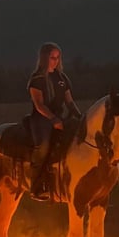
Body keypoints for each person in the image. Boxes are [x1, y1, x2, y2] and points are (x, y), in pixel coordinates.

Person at [27, 42, 82, 201]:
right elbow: (39, 104)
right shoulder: (37, 79)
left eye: (58, 58)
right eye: (52, 58)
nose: (55, 61)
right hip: (41, 119)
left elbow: (69, 102)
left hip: (59, 117)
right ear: (45, 58)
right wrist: (53, 119)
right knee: (43, 147)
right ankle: (36, 187)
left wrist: (79, 116)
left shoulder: (62, 78)